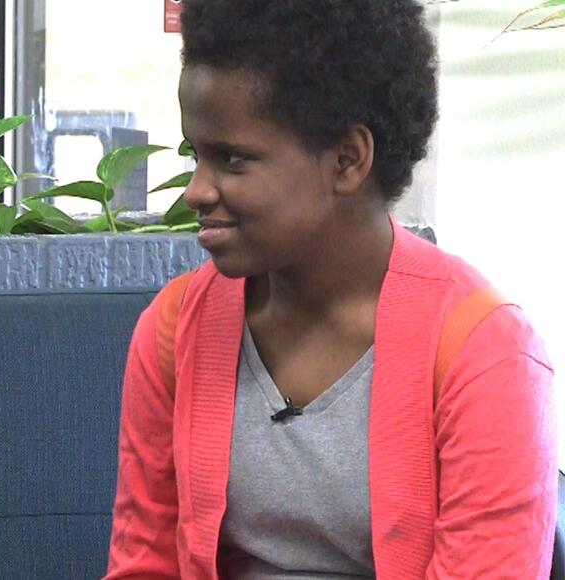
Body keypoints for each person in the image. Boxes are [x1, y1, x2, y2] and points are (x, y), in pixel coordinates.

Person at [106, 0, 556, 578]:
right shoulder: (176, 329)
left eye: (233, 160)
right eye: (197, 155)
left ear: (347, 160)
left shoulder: (485, 354)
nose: (196, 191)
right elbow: (145, 563)